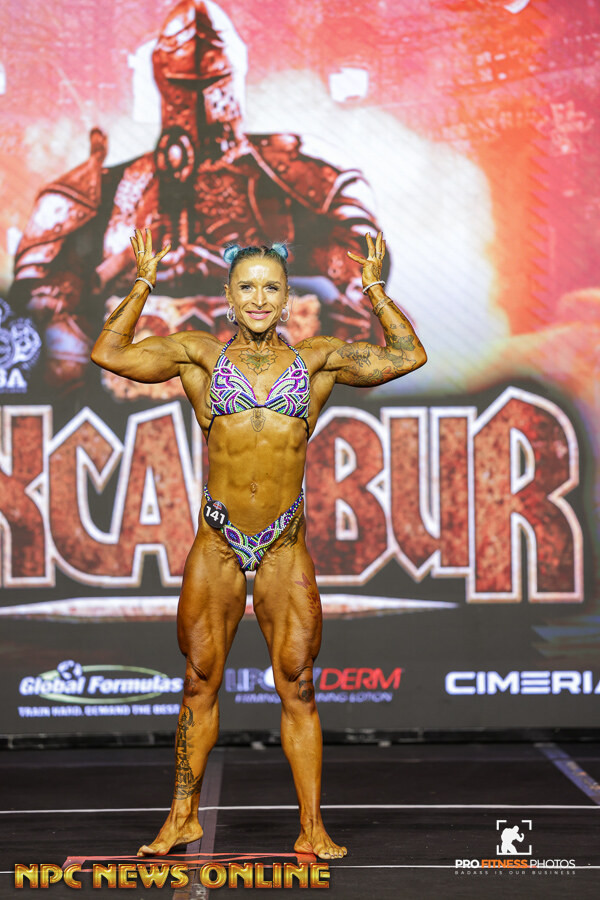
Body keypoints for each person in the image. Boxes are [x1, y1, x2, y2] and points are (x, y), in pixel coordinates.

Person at [90, 226, 426, 860]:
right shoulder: (198, 357)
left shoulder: (317, 360)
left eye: (271, 288)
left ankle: (312, 827)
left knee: (297, 684)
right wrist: (142, 283)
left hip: (283, 546)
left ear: (287, 297)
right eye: (247, 288)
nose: (259, 298)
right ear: (228, 296)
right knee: (199, 681)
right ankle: (182, 818)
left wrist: (376, 291)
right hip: (218, 542)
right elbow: (109, 351)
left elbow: (408, 355)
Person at [12, 0, 381, 397]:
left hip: (272, 382)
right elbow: (38, 300)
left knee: (360, 327)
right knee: (61, 349)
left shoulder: (300, 169)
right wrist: (110, 272)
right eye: (185, 85)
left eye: (211, 81)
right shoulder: (107, 187)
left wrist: (268, 266)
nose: (200, 101)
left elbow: (361, 267)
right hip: (132, 387)